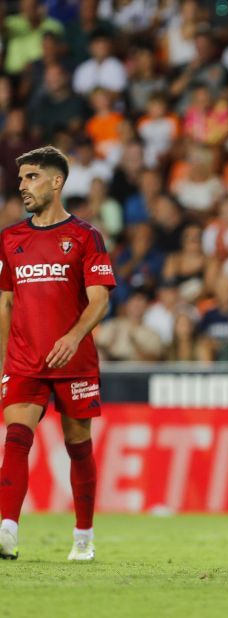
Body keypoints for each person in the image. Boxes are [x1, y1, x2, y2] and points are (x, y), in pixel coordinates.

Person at [0, 146, 116, 561]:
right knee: (16, 438)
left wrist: (73, 336)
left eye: (31, 178)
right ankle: (7, 530)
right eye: (20, 180)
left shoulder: (85, 236)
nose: (22, 187)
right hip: (23, 359)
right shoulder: (10, 239)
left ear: (56, 182)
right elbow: (6, 305)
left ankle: (83, 536)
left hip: (74, 361)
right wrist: (3, 364)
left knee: (77, 443)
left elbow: (99, 300)